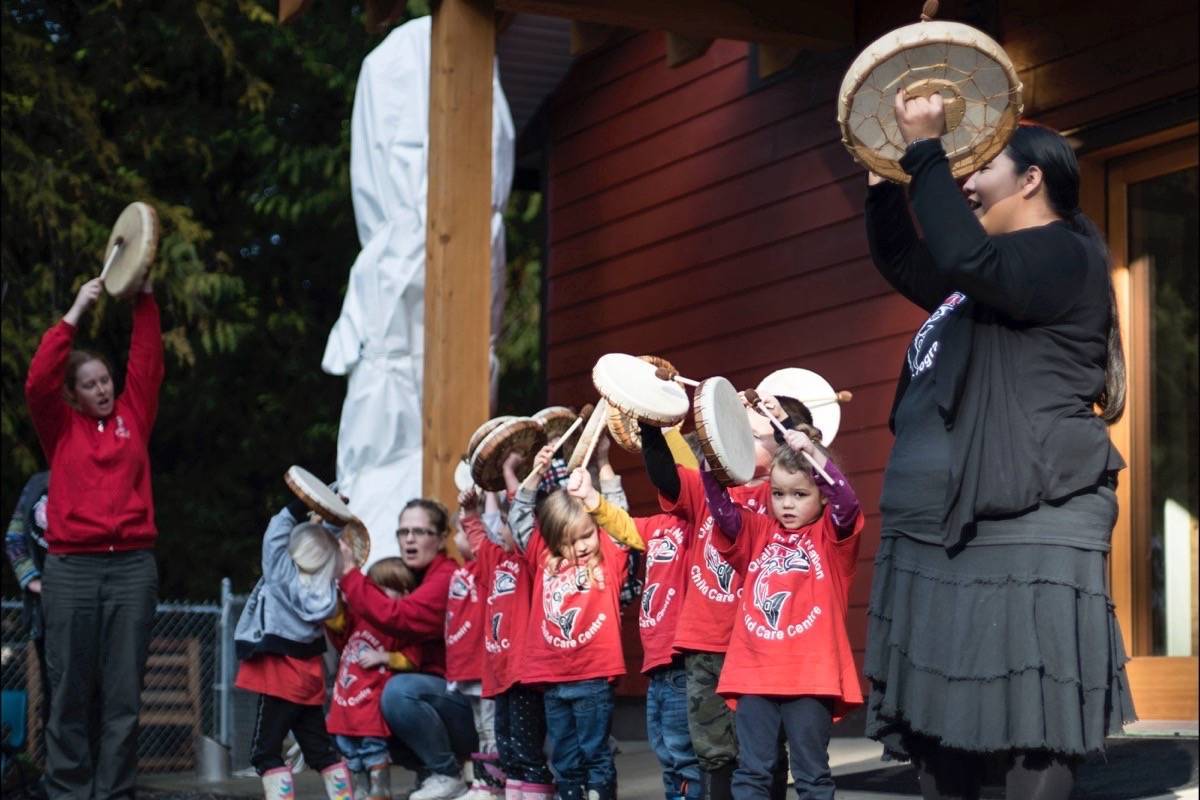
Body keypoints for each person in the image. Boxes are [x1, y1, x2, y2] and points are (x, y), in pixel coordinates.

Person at [861, 91, 1136, 800]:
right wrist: (885, 177)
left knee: (1030, 729)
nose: (964, 182)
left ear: (1032, 179)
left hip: (1027, 526)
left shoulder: (1059, 257)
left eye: (979, 168)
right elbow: (904, 257)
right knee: (937, 733)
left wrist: (926, 149)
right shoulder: (980, 278)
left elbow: (963, 253)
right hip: (940, 532)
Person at [24, 275, 162, 799]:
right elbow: (37, 380)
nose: (103, 389)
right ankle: (68, 790)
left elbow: (147, 361)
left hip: (131, 567)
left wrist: (144, 299)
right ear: (73, 393)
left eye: (106, 380)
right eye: (91, 384)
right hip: (71, 569)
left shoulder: (134, 415)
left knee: (124, 693)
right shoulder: (59, 426)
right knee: (69, 690)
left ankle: (114, 793)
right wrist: (75, 312)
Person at [637, 392, 803, 800]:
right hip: (704, 646)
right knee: (712, 753)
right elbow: (666, 476)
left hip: (759, 649)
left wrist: (792, 432)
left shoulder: (785, 499)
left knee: (762, 751)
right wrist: (647, 423)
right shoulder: (707, 489)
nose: (740, 440)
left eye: (755, 434)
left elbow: (815, 474)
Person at [703, 427, 864, 800]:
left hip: (811, 679)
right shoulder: (757, 530)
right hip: (754, 675)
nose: (787, 504)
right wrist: (712, 463)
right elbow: (724, 514)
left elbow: (847, 504)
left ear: (821, 497)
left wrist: (815, 455)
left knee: (812, 777)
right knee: (752, 773)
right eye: (778, 494)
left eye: (800, 494)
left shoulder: (831, 538)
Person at [509, 454, 644, 800]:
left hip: (594, 677)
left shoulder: (609, 556)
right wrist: (536, 473)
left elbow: (617, 511)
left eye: (586, 535)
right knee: (565, 758)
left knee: (595, 752)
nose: (580, 546)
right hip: (553, 680)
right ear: (552, 542)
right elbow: (520, 517)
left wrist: (603, 464)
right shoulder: (542, 557)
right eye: (569, 542)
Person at [576, 432, 701, 800]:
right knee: (665, 752)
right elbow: (624, 526)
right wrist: (592, 499)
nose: (667, 481)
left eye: (676, 476)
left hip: (683, 662)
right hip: (656, 665)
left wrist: (666, 428)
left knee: (685, 755)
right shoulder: (660, 525)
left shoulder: (700, 526)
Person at [337, 498, 476, 800]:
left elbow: (397, 617)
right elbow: (356, 636)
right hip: (437, 700)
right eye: (403, 532)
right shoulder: (407, 576)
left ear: (441, 539)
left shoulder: (444, 578)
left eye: (420, 531)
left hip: (467, 709)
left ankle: (446, 772)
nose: (409, 539)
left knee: (398, 693)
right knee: (372, 702)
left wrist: (349, 572)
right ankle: (430, 773)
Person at [233, 500, 354, 798]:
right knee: (320, 752)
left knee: (265, 754)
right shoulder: (326, 585)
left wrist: (293, 508)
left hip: (280, 675)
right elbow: (323, 547)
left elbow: (274, 538)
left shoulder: (283, 576)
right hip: (308, 675)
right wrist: (334, 518)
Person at [325, 557, 421, 799]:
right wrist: (334, 590)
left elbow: (412, 658)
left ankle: (380, 789)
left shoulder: (400, 626)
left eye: (383, 588)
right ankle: (360, 789)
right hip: (344, 704)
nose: (375, 595)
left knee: (372, 749)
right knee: (348, 751)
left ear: (405, 593)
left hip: (370, 706)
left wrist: (385, 657)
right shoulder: (360, 618)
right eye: (372, 589)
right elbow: (336, 622)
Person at [444, 502, 504, 800]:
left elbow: (488, 534)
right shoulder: (462, 572)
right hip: (465, 666)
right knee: (481, 729)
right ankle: (485, 782)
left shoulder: (485, 570)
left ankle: (495, 785)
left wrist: (476, 511)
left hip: (484, 666)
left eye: (461, 530)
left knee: (492, 729)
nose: (456, 537)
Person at [4, 471, 51, 733]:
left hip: (91, 608)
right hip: (46, 613)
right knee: (54, 691)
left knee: (94, 690)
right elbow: (14, 538)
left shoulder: (97, 476)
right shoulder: (37, 483)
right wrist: (33, 581)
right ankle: (58, 768)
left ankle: (98, 768)